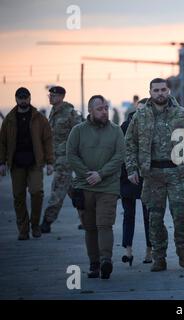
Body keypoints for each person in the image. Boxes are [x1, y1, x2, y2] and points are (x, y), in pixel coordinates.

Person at [125, 78, 184, 272]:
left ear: (168, 90)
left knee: (180, 213)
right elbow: (129, 144)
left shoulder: (182, 114)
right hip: (152, 174)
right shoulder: (140, 116)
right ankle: (159, 256)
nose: (160, 93)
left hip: (176, 172)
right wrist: (132, 169)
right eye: (156, 90)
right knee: (154, 218)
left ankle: (182, 247)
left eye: (163, 90)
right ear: (150, 92)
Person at [67, 95, 125, 280]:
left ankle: (106, 260)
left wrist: (101, 174)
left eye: (106, 108)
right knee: (90, 227)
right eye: (99, 108)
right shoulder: (78, 131)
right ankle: (94, 264)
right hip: (84, 187)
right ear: (90, 111)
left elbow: (119, 156)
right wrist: (87, 174)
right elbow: (71, 155)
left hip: (108, 187)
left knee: (104, 224)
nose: (104, 111)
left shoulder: (116, 131)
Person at [0, 87, 54, 240]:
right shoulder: (9, 120)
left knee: (37, 193)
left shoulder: (39, 118)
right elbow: (2, 142)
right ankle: (23, 230)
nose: (23, 100)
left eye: (26, 97)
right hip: (16, 164)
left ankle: (35, 225)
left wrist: (50, 162)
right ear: (16, 99)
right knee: (18, 197)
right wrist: (1, 163)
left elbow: (47, 140)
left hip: (35, 163)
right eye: (20, 98)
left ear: (30, 98)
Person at [40, 86, 82, 233]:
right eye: (50, 94)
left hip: (65, 159)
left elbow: (79, 133)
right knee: (72, 190)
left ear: (62, 97)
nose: (50, 97)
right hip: (55, 157)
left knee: (57, 189)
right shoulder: (53, 113)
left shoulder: (70, 113)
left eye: (54, 95)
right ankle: (86, 218)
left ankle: (47, 221)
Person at [120, 106, 152, 266]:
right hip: (128, 176)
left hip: (147, 177)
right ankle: (128, 251)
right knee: (128, 215)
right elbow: (121, 151)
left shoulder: (152, 124)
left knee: (148, 217)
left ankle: (149, 251)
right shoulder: (125, 126)